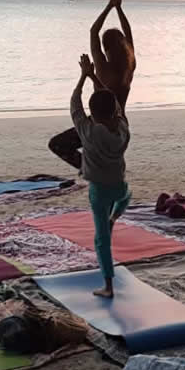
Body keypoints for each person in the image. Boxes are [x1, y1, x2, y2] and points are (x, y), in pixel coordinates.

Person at [50, 0, 135, 170]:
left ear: (108, 49)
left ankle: (88, 168)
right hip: (121, 124)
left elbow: (93, 32)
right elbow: (128, 33)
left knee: (57, 145)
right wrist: (118, 8)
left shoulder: (104, 69)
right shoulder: (129, 65)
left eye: (104, 48)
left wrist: (109, 6)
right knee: (111, 161)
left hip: (100, 125)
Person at [71, 54, 131, 298]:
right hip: (118, 186)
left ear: (92, 114)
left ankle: (108, 286)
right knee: (126, 195)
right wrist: (94, 77)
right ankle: (115, 216)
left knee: (101, 240)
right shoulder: (124, 128)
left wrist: (83, 76)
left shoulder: (89, 132)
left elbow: (75, 104)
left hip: (99, 191)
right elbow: (113, 101)